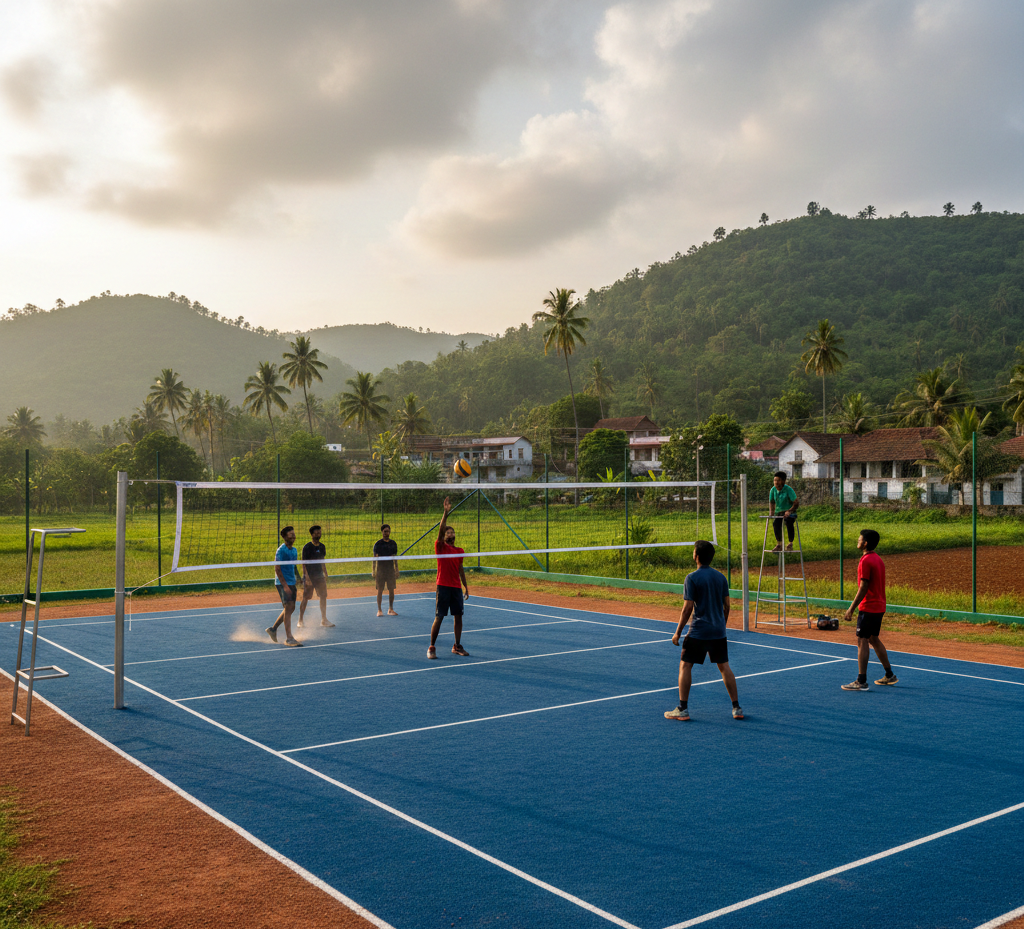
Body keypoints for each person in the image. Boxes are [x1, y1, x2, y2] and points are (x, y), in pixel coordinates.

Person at [665, 540, 743, 721]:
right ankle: (736, 708)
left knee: (685, 665)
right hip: (718, 632)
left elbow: (687, 608)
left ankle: (683, 709)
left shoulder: (691, 578)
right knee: (724, 667)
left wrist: (677, 632)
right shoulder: (721, 578)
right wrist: (721, 625)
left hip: (698, 631)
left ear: (696, 556)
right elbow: (727, 606)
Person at [841, 529, 897, 690]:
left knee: (862, 640)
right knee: (873, 638)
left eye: (859, 539)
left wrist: (851, 608)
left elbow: (864, 586)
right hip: (879, 606)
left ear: (865, 543)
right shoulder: (878, 559)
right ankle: (889, 675)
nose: (857, 541)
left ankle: (861, 681)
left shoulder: (865, 561)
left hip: (869, 606)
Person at [428, 496, 470, 659]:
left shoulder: (459, 551)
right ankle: (432, 646)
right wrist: (445, 513)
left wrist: (465, 586)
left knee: (458, 616)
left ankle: (457, 645)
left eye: (452, 532)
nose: (451, 533)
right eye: (448, 532)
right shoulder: (440, 547)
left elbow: (460, 569)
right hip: (443, 586)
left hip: (456, 587)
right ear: (444, 536)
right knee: (439, 616)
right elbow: (440, 531)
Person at [266, 526, 302, 646]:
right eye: (291, 535)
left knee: (291, 608)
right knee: (288, 607)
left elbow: (294, 566)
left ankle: (273, 629)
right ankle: (289, 638)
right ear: (285, 537)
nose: (293, 536)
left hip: (291, 582)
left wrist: (299, 578)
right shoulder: (281, 550)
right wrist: (285, 586)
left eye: (294, 534)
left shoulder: (294, 550)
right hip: (282, 583)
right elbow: (277, 569)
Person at [298, 525, 335, 628]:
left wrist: (325, 573)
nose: (319, 534)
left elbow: (322, 561)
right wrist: (306, 577)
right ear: (312, 534)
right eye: (317, 533)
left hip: (319, 576)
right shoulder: (307, 547)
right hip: (310, 576)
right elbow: (304, 563)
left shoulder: (322, 546)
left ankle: (324, 620)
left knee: (323, 596)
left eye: (320, 532)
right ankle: (300, 620)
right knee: (306, 598)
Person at [373, 524, 399, 617]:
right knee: (380, 590)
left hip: (390, 570)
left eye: (387, 531)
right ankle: (379, 610)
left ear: (390, 532)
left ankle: (390, 609)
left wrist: (396, 569)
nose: (386, 533)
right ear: (382, 532)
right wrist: (373, 570)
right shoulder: (378, 544)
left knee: (391, 590)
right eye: (384, 531)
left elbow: (394, 558)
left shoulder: (393, 544)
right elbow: (374, 558)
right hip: (381, 570)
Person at [768, 470, 799, 552]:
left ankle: (790, 543)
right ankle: (779, 544)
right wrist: (771, 512)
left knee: (788, 522)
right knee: (776, 524)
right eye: (775, 480)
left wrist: (789, 511)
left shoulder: (788, 490)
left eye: (778, 480)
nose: (776, 482)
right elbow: (772, 502)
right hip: (779, 513)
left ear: (783, 481)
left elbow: (796, 503)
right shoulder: (773, 490)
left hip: (790, 512)